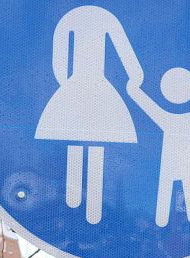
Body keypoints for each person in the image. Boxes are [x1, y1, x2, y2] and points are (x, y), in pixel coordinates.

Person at [35, 5, 145, 225]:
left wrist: (67, 85)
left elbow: (59, 60)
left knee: (81, 145)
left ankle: (77, 202)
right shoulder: (105, 17)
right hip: (96, 88)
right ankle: (86, 206)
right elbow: (127, 55)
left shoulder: (71, 17)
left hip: (77, 87)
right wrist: (135, 76)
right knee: (93, 147)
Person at [127, 68, 190, 227]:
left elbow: (151, 109)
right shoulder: (189, 119)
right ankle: (181, 219)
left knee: (177, 189)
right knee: (181, 188)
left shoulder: (176, 119)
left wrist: (134, 91)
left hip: (181, 162)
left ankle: (172, 220)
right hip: (182, 162)